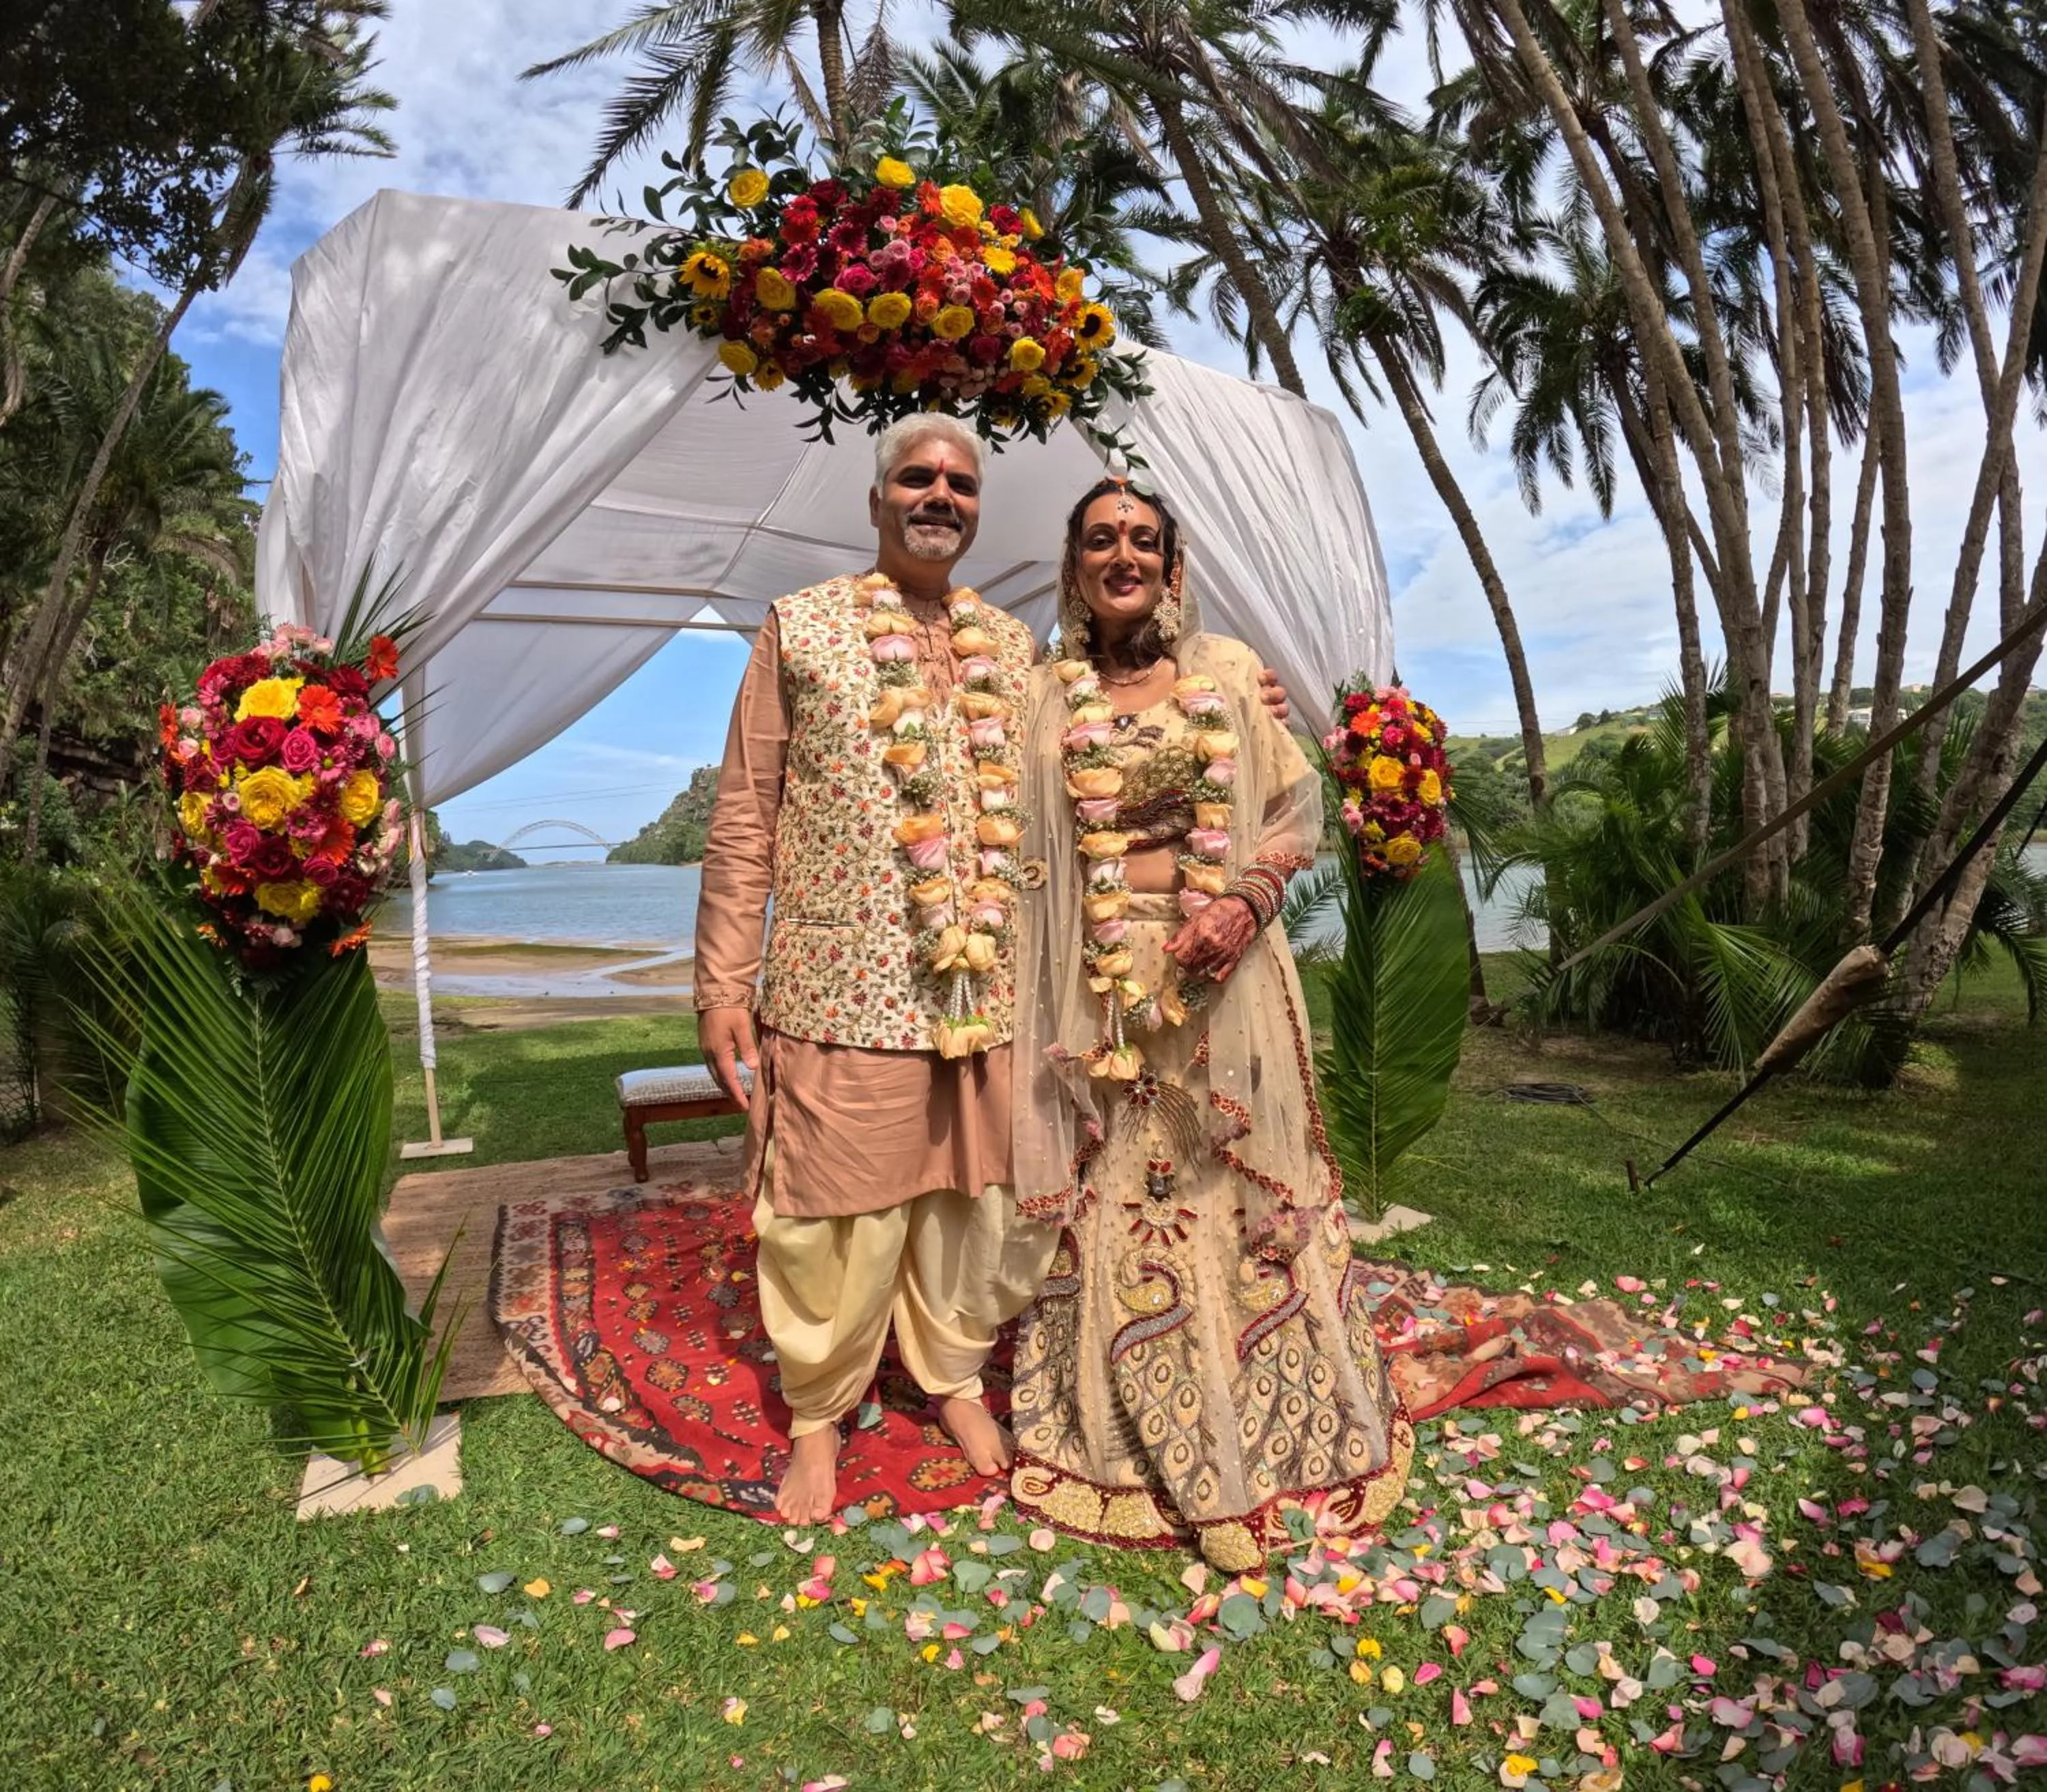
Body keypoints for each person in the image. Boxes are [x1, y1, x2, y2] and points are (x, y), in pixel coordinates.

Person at [695, 421, 1296, 1526]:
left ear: (978, 509)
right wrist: (723, 985)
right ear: (876, 499)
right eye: (918, 478)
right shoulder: (803, 628)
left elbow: (1118, 742)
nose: (940, 496)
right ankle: (821, 1411)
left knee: (984, 1202)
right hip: (843, 975)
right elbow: (744, 821)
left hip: (999, 986)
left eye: (961, 484)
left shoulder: (1015, 653)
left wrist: (1247, 708)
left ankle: (954, 1375)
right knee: (830, 1206)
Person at [1006, 476, 1414, 1571]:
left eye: (1144, 539)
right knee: (1121, 1195)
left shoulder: (1231, 673)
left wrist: (1241, 904)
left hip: (1224, 969)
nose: (1124, 555)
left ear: (1173, 567)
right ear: (1075, 563)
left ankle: (1273, 1424)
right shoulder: (1042, 694)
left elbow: (1291, 817)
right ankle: (1126, 1434)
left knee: (1226, 1187)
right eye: (1102, 538)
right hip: (1096, 984)